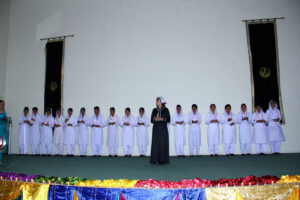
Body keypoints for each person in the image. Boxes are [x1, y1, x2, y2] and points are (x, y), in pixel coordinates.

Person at [150, 97, 170, 164]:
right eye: (156, 101)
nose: (156, 102)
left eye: (158, 101)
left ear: (161, 102)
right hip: (156, 129)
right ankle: (155, 159)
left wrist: (161, 119)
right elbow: (151, 120)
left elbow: (168, 119)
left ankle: (162, 160)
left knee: (162, 143)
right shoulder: (154, 110)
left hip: (163, 129)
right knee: (156, 143)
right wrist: (155, 119)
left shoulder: (166, 110)